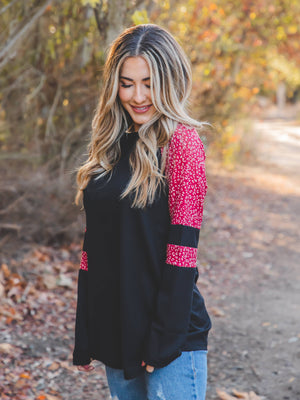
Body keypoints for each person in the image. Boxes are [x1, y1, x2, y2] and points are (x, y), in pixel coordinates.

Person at [73, 24, 211, 400]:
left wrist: (162, 339)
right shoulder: (110, 144)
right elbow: (94, 247)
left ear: (170, 82)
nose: (137, 96)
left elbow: (183, 251)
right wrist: (87, 326)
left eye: (149, 83)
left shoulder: (181, 143)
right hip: (117, 326)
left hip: (170, 337)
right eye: (127, 82)